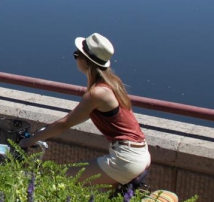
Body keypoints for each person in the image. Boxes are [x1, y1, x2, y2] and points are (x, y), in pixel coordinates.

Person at [22, 33, 150, 188]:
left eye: (76, 55)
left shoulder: (97, 93)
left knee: (56, 178)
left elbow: (65, 124)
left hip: (125, 159)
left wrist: (29, 140)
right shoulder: (113, 83)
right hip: (139, 152)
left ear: (86, 61)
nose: (75, 58)